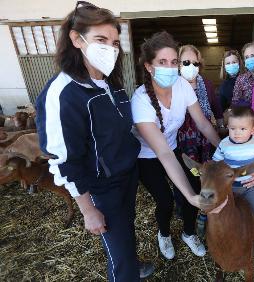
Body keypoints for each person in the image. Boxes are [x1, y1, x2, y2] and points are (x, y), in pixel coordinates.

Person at [35, 2, 154, 281]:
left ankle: (130, 264)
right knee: (119, 254)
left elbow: (122, 132)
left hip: (126, 175)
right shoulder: (63, 93)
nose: (110, 48)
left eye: (114, 42)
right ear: (77, 39)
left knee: (126, 230)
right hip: (102, 187)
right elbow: (64, 160)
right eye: (101, 40)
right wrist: (88, 210)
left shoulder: (110, 85)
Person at [131, 31, 220, 260]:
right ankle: (164, 234)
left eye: (173, 62)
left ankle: (188, 233)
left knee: (193, 183)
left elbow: (202, 123)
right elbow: (161, 152)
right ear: (149, 66)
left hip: (173, 148)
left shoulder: (182, 85)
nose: (170, 68)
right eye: (162, 62)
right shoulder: (141, 100)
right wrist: (189, 195)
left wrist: (224, 148)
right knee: (166, 200)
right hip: (147, 156)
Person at [212, 106, 254, 254]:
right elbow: (216, 162)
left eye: (242, 129)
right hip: (228, 187)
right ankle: (205, 221)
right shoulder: (224, 144)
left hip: (248, 187)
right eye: (232, 128)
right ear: (227, 127)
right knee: (213, 207)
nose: (237, 133)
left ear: (253, 130)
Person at [177, 44, 223, 163]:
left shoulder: (207, 84)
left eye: (195, 63)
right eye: (186, 62)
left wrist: (221, 126)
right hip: (182, 140)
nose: (191, 66)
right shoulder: (173, 86)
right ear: (178, 64)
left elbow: (216, 109)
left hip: (206, 138)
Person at [231, 42, 254, 106]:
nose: (250, 59)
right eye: (246, 57)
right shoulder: (241, 79)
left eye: (253, 56)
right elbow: (235, 102)